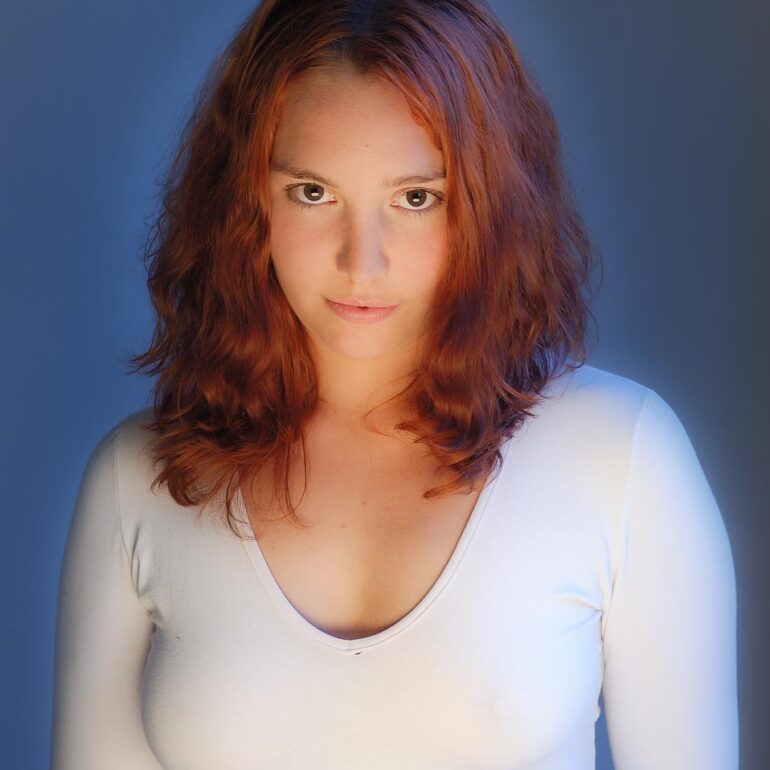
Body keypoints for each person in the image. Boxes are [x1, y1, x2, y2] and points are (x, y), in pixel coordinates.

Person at [49, 1, 739, 768]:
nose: (362, 260)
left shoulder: (621, 458)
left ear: (487, 208)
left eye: (415, 198)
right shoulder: (140, 478)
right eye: (313, 192)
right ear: (244, 203)